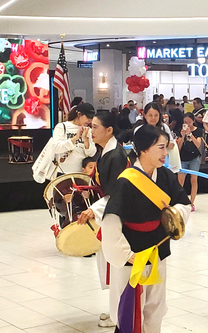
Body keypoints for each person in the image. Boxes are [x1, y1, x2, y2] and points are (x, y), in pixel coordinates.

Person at [102, 125, 191, 333]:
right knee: (129, 308)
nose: (165, 153)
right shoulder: (127, 180)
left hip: (157, 249)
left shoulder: (166, 176)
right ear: (144, 149)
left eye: (166, 147)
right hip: (132, 254)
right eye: (161, 147)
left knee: (155, 306)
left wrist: (173, 215)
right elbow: (112, 220)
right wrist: (125, 254)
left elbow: (184, 204)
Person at [77, 111, 129, 328]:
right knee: (109, 265)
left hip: (116, 217)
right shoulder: (106, 152)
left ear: (109, 130)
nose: (92, 130)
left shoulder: (115, 156)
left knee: (117, 268)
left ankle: (119, 316)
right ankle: (114, 309)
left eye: (95, 127)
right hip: (107, 213)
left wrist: (94, 209)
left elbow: (118, 193)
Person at [52, 103, 97, 175]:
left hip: (82, 173)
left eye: (91, 118)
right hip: (63, 172)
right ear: (79, 114)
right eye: (87, 117)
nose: (89, 121)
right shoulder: (62, 127)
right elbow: (56, 148)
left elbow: (92, 153)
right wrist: (75, 138)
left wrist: (86, 141)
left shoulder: (88, 130)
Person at [139, 102, 178, 173]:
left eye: (156, 115)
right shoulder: (139, 130)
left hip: (162, 163)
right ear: (144, 115)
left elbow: (172, 145)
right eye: (150, 115)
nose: (153, 118)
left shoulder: (164, 128)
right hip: (145, 164)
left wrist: (162, 143)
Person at [177, 113, 203, 211]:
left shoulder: (198, 131)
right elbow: (178, 147)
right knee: (180, 181)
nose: (187, 124)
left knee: (194, 180)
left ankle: (192, 202)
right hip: (183, 157)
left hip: (194, 158)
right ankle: (180, 200)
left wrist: (190, 134)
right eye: (185, 122)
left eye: (189, 122)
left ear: (193, 121)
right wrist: (183, 136)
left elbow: (197, 144)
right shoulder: (180, 131)